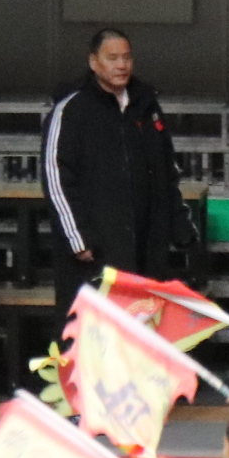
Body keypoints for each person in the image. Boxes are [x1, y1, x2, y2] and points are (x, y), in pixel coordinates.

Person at [41, 29, 188, 332]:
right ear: (94, 62)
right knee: (94, 335)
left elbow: (167, 170)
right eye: (112, 58)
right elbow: (56, 177)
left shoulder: (147, 105)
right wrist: (78, 238)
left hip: (146, 247)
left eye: (127, 57)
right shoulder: (71, 109)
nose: (122, 65)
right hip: (95, 250)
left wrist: (178, 226)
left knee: (142, 335)